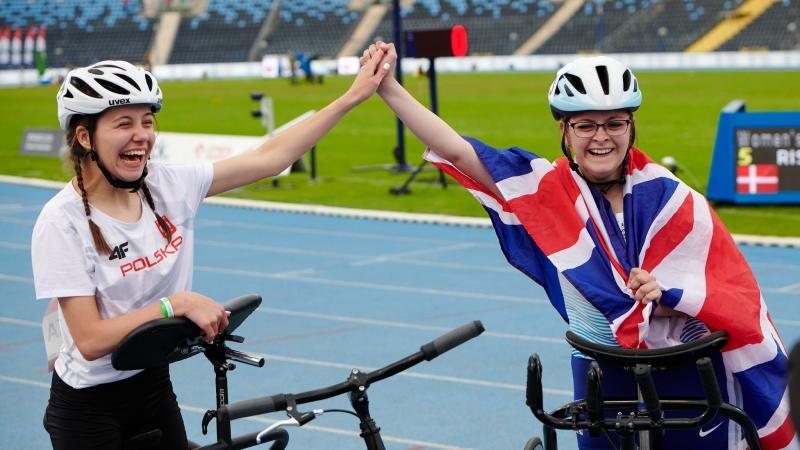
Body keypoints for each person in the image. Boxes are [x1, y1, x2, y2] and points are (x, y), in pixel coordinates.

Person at [363, 42, 797, 449]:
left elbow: (725, 289)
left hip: (686, 361)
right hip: (599, 361)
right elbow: (458, 152)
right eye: (585, 125)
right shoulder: (546, 191)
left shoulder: (673, 198)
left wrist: (663, 295)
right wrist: (389, 87)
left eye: (614, 123)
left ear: (632, 127)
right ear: (565, 131)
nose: (601, 137)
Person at [31, 51, 390, 450]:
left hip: (152, 384)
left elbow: (270, 159)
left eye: (147, 121)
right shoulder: (60, 222)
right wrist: (175, 305)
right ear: (85, 137)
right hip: (88, 408)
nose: (142, 135)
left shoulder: (170, 186)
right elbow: (90, 340)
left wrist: (351, 97)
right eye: (124, 123)